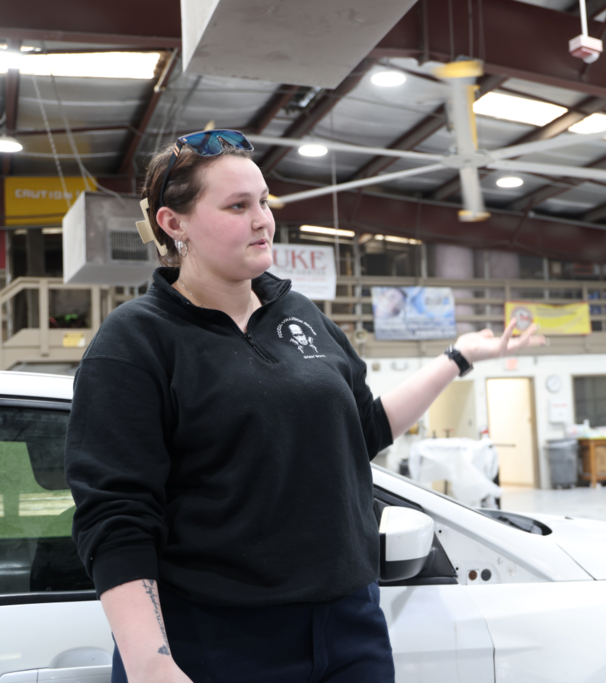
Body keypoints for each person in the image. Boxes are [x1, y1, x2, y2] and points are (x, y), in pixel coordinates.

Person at [64, 129, 543, 683]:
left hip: (348, 626)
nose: (262, 219)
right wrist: (151, 664)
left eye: (264, 201)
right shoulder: (137, 340)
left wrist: (458, 357)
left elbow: (362, 429)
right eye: (237, 206)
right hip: (215, 638)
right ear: (175, 224)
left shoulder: (298, 313)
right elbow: (116, 514)